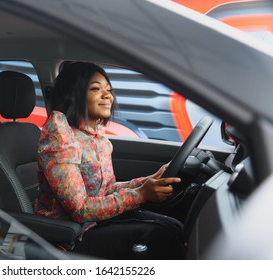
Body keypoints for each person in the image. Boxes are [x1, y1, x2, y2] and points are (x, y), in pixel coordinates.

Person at [34, 61, 186, 259]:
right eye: (96, 89)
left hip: (95, 223)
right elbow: (80, 210)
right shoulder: (60, 136)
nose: (108, 96)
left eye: (109, 90)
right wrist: (140, 195)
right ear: (74, 93)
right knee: (161, 235)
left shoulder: (94, 134)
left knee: (172, 226)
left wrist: (147, 181)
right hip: (70, 238)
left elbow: (105, 190)